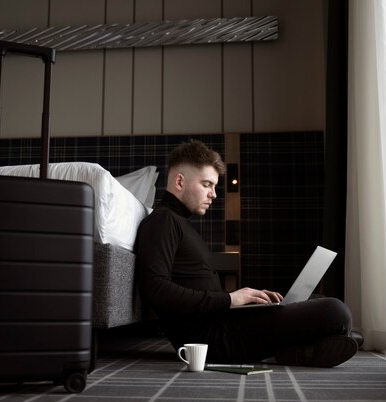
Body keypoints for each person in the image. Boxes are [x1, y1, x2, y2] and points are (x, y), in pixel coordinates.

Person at [134, 140, 359, 367]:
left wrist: (246, 300)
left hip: (225, 322)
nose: (213, 194)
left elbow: (200, 292)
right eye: (207, 184)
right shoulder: (162, 221)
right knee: (335, 312)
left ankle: (301, 349)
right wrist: (231, 299)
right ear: (180, 181)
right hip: (211, 341)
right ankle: (306, 347)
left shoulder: (180, 223)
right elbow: (155, 289)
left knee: (319, 304)